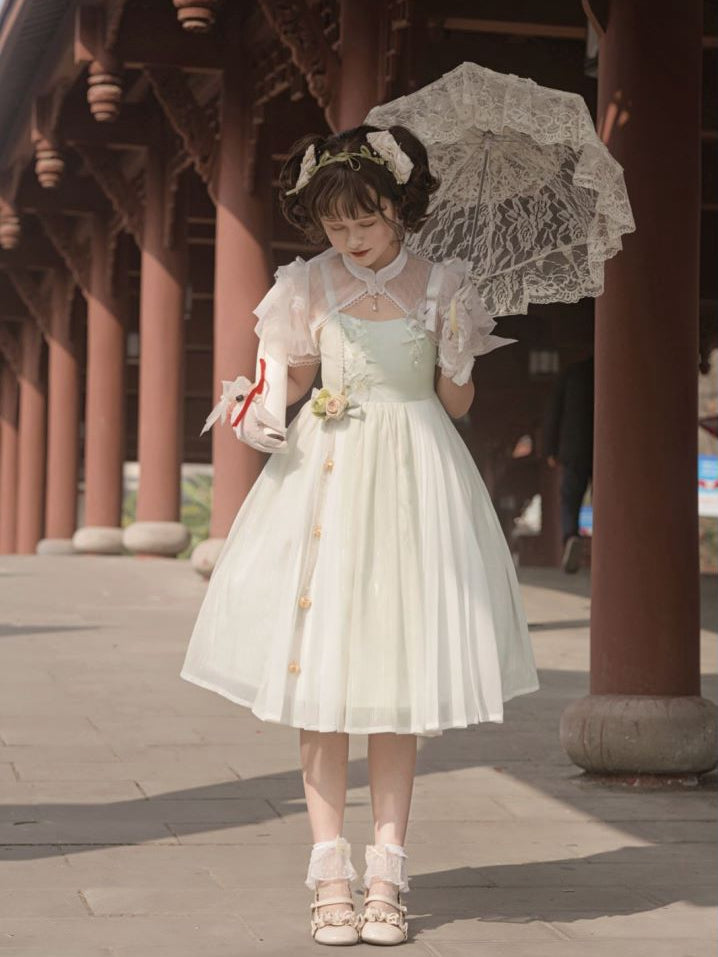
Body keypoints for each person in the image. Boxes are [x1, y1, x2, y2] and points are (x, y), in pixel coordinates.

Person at [180, 124, 540, 946]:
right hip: (329, 479)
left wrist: (456, 356)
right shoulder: (307, 283)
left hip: (417, 477)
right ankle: (329, 870)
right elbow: (295, 384)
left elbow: (455, 407)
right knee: (324, 677)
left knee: (396, 679)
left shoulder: (445, 284)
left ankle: (387, 869)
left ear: (400, 208)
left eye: (366, 224)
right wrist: (264, 392)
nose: (351, 240)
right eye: (337, 226)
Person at [542, 352, 594, 573]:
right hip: (607, 449)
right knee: (608, 501)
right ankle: (607, 545)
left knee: (570, 499)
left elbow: (554, 413)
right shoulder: (616, 370)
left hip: (573, 448)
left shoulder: (572, 374)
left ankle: (571, 535)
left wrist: (549, 449)